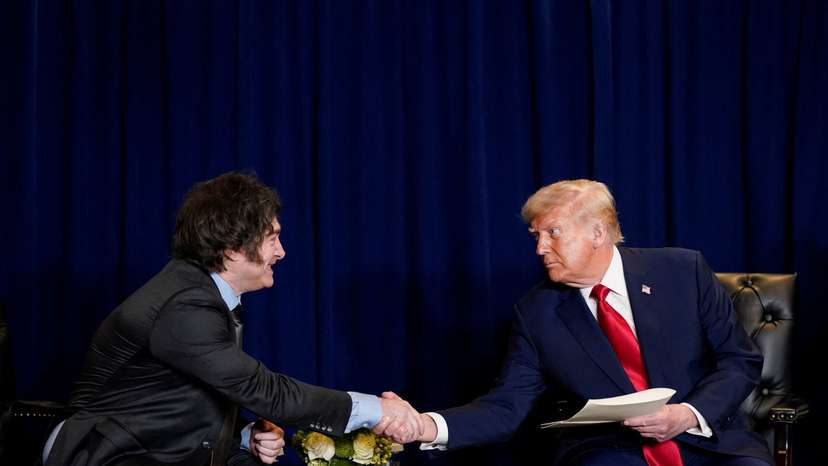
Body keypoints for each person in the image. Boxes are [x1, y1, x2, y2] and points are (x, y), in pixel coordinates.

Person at [381, 179, 772, 465]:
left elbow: (739, 361)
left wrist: (687, 414)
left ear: (598, 232)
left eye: (553, 233)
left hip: (708, 438)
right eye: (536, 236)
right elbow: (506, 407)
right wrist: (425, 426)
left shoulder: (683, 271)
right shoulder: (536, 313)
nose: (539, 248)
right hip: (613, 450)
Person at [44, 172, 423, 466]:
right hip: (103, 455)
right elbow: (264, 390)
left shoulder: (199, 291)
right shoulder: (185, 303)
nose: (282, 251)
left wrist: (244, 434)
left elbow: (177, 400)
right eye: (272, 238)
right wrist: (375, 409)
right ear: (232, 249)